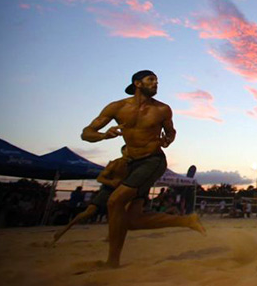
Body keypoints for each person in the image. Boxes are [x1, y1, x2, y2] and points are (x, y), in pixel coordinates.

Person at [81, 70, 205, 267]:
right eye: (151, 80)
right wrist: (104, 135)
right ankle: (186, 221)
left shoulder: (163, 109)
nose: (156, 83)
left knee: (115, 201)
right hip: (131, 163)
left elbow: (171, 132)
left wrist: (167, 140)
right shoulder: (117, 107)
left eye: (157, 81)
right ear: (137, 84)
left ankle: (112, 261)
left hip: (153, 160)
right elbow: (86, 133)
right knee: (133, 220)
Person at [53, 146, 130, 244]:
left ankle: (110, 236)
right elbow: (100, 178)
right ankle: (64, 230)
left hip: (120, 190)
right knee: (89, 211)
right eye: (128, 149)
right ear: (123, 151)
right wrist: (111, 182)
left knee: (120, 213)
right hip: (108, 190)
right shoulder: (115, 163)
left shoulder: (133, 164)